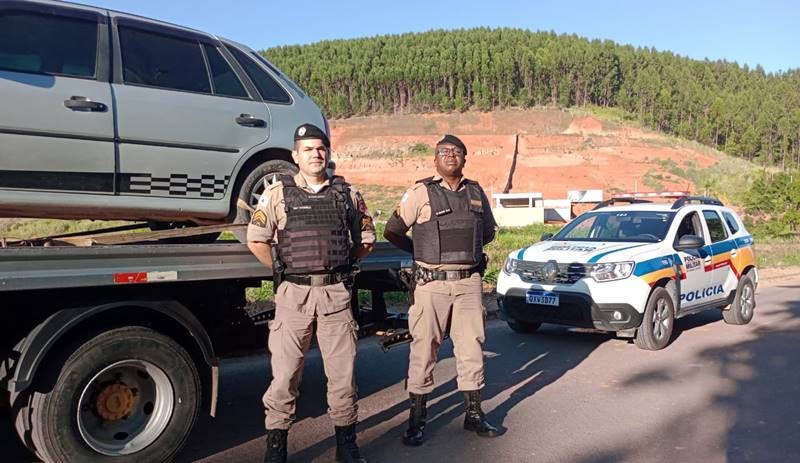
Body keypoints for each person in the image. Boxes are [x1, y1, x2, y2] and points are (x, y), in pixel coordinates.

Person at [247, 123, 375, 463]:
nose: (315, 154)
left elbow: (365, 240)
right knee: (285, 376)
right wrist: (281, 269)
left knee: (343, 377)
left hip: (335, 295)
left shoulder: (348, 194)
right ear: (296, 156)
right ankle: (276, 447)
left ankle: (346, 444)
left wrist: (344, 267)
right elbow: (257, 238)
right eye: (308, 149)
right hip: (294, 296)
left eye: (321, 148)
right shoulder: (277, 192)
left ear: (328, 154)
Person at [383, 134, 500, 446]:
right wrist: (420, 252)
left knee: (472, 348)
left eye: (457, 151)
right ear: (434, 159)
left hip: (468, 283)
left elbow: (486, 233)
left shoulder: (476, 192)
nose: (451, 155)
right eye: (444, 151)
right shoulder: (421, 192)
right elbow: (392, 230)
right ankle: (417, 421)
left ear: (465, 158)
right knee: (424, 350)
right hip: (431, 284)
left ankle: (474, 415)